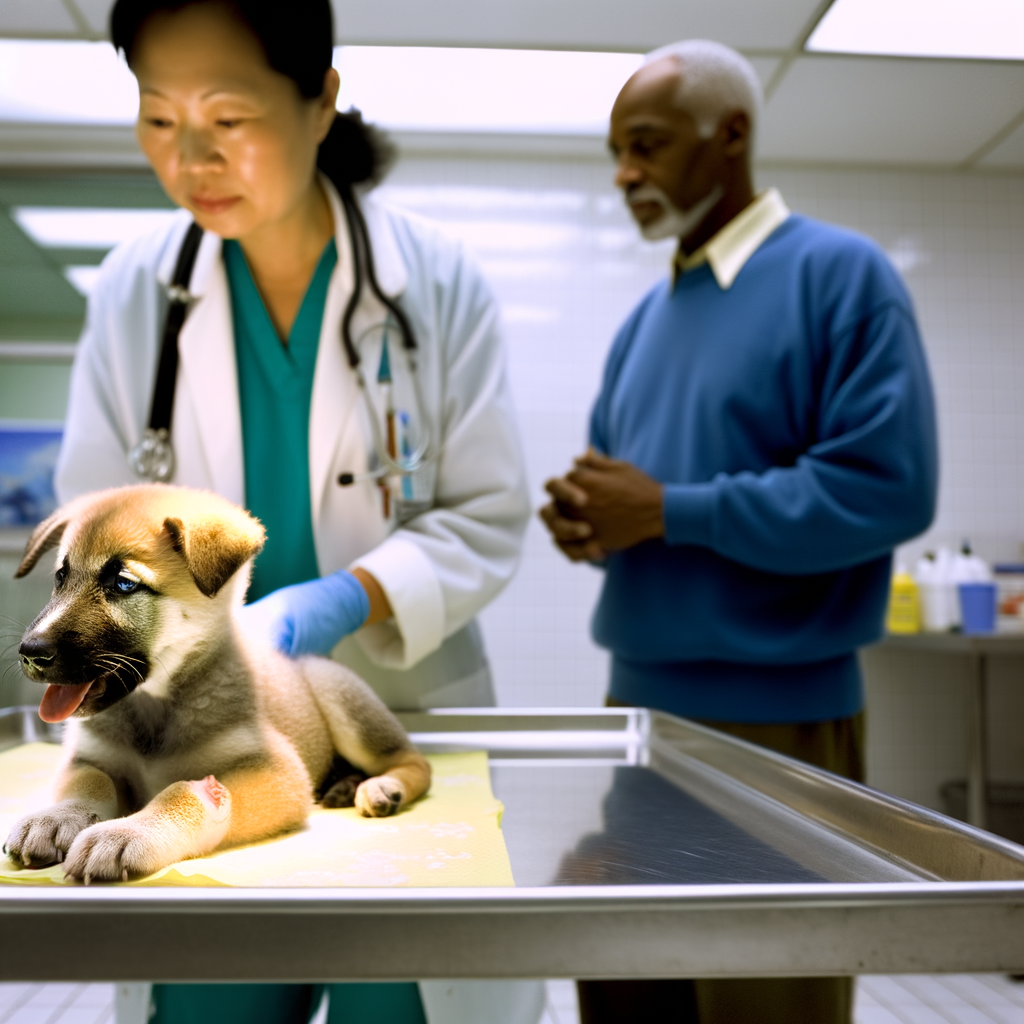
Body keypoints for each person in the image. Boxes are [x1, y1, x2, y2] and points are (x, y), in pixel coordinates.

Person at [54, 2, 540, 1023]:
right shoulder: (136, 291)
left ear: (321, 100)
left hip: (394, 715)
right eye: (158, 118)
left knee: (402, 1002)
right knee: (209, 999)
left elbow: (487, 512)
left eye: (228, 118)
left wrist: (344, 598)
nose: (190, 158)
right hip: (190, 740)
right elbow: (93, 513)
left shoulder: (433, 282)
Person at [539, 39, 938, 1024]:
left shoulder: (840, 277)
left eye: (646, 144)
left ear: (730, 136)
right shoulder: (643, 322)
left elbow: (886, 489)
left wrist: (669, 509)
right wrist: (593, 524)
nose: (624, 173)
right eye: (615, 152)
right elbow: (636, 497)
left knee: (767, 1005)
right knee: (634, 1000)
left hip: (778, 728)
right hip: (640, 714)